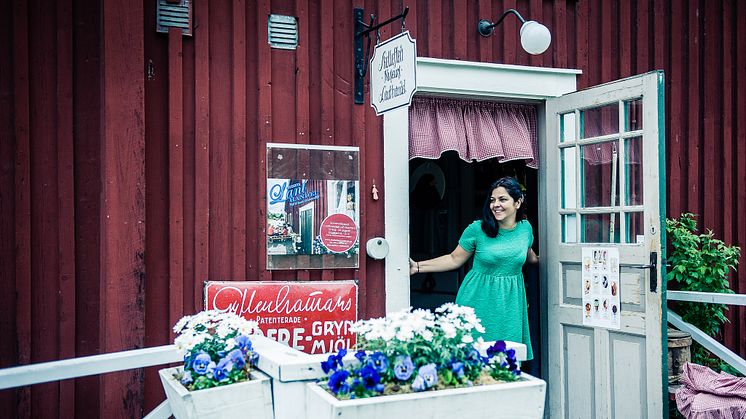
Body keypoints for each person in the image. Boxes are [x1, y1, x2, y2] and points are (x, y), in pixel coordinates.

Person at [409, 177, 539, 360]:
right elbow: (454, 259)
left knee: (507, 356)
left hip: (510, 302)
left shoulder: (526, 229)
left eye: (503, 199)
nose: (496, 205)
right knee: (473, 354)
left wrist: (547, 261)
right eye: (493, 200)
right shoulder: (477, 229)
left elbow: (528, 254)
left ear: (518, 202)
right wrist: (418, 267)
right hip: (478, 297)